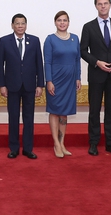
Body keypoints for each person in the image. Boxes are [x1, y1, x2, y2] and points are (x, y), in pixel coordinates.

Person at [80, 0, 111, 156]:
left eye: (105, 3)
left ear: (110, 5)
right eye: (100, 4)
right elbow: (83, 51)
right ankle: (93, 143)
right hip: (96, 74)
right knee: (94, 110)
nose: (103, 6)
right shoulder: (88, 26)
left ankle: (110, 143)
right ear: (96, 6)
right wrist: (96, 62)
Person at [0, 13, 44, 159]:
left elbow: (39, 64)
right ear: (12, 25)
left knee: (29, 118)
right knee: (13, 117)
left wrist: (40, 84)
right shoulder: (4, 41)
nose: (20, 26)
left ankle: (28, 148)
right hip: (12, 85)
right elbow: (0, 65)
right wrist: (2, 85)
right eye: (17, 23)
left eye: (23, 23)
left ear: (26, 25)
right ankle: (14, 148)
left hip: (30, 85)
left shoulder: (34, 41)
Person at [44, 11, 81, 158]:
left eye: (65, 20)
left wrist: (78, 77)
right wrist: (49, 81)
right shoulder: (50, 39)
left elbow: (77, 60)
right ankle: (56, 144)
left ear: (68, 22)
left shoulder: (75, 38)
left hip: (70, 81)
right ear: (55, 22)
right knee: (54, 111)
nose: (62, 23)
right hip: (56, 81)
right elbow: (47, 61)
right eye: (59, 20)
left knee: (64, 112)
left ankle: (62, 142)